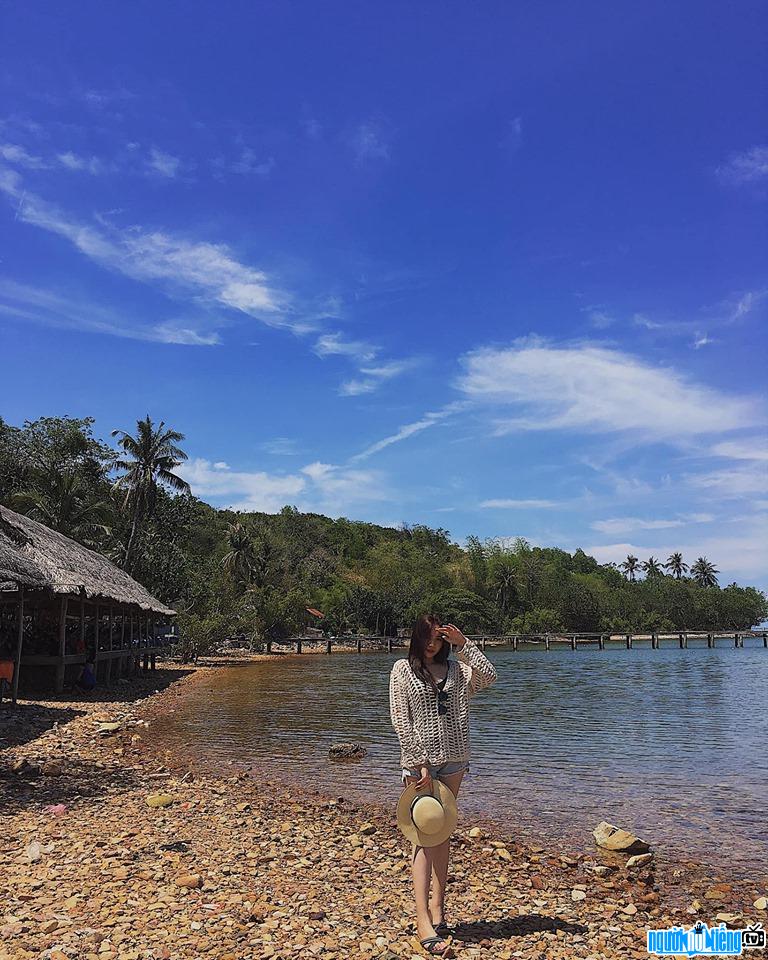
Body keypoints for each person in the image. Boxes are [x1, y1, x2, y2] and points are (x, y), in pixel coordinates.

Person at [389, 615, 498, 956]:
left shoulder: (457, 670)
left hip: (455, 760)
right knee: (424, 834)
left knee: (443, 830)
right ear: (415, 639)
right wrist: (419, 761)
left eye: (437, 638)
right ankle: (422, 921)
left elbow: (489, 676)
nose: (431, 644)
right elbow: (400, 719)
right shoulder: (402, 670)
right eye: (425, 637)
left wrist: (466, 645)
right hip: (419, 763)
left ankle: (439, 908)